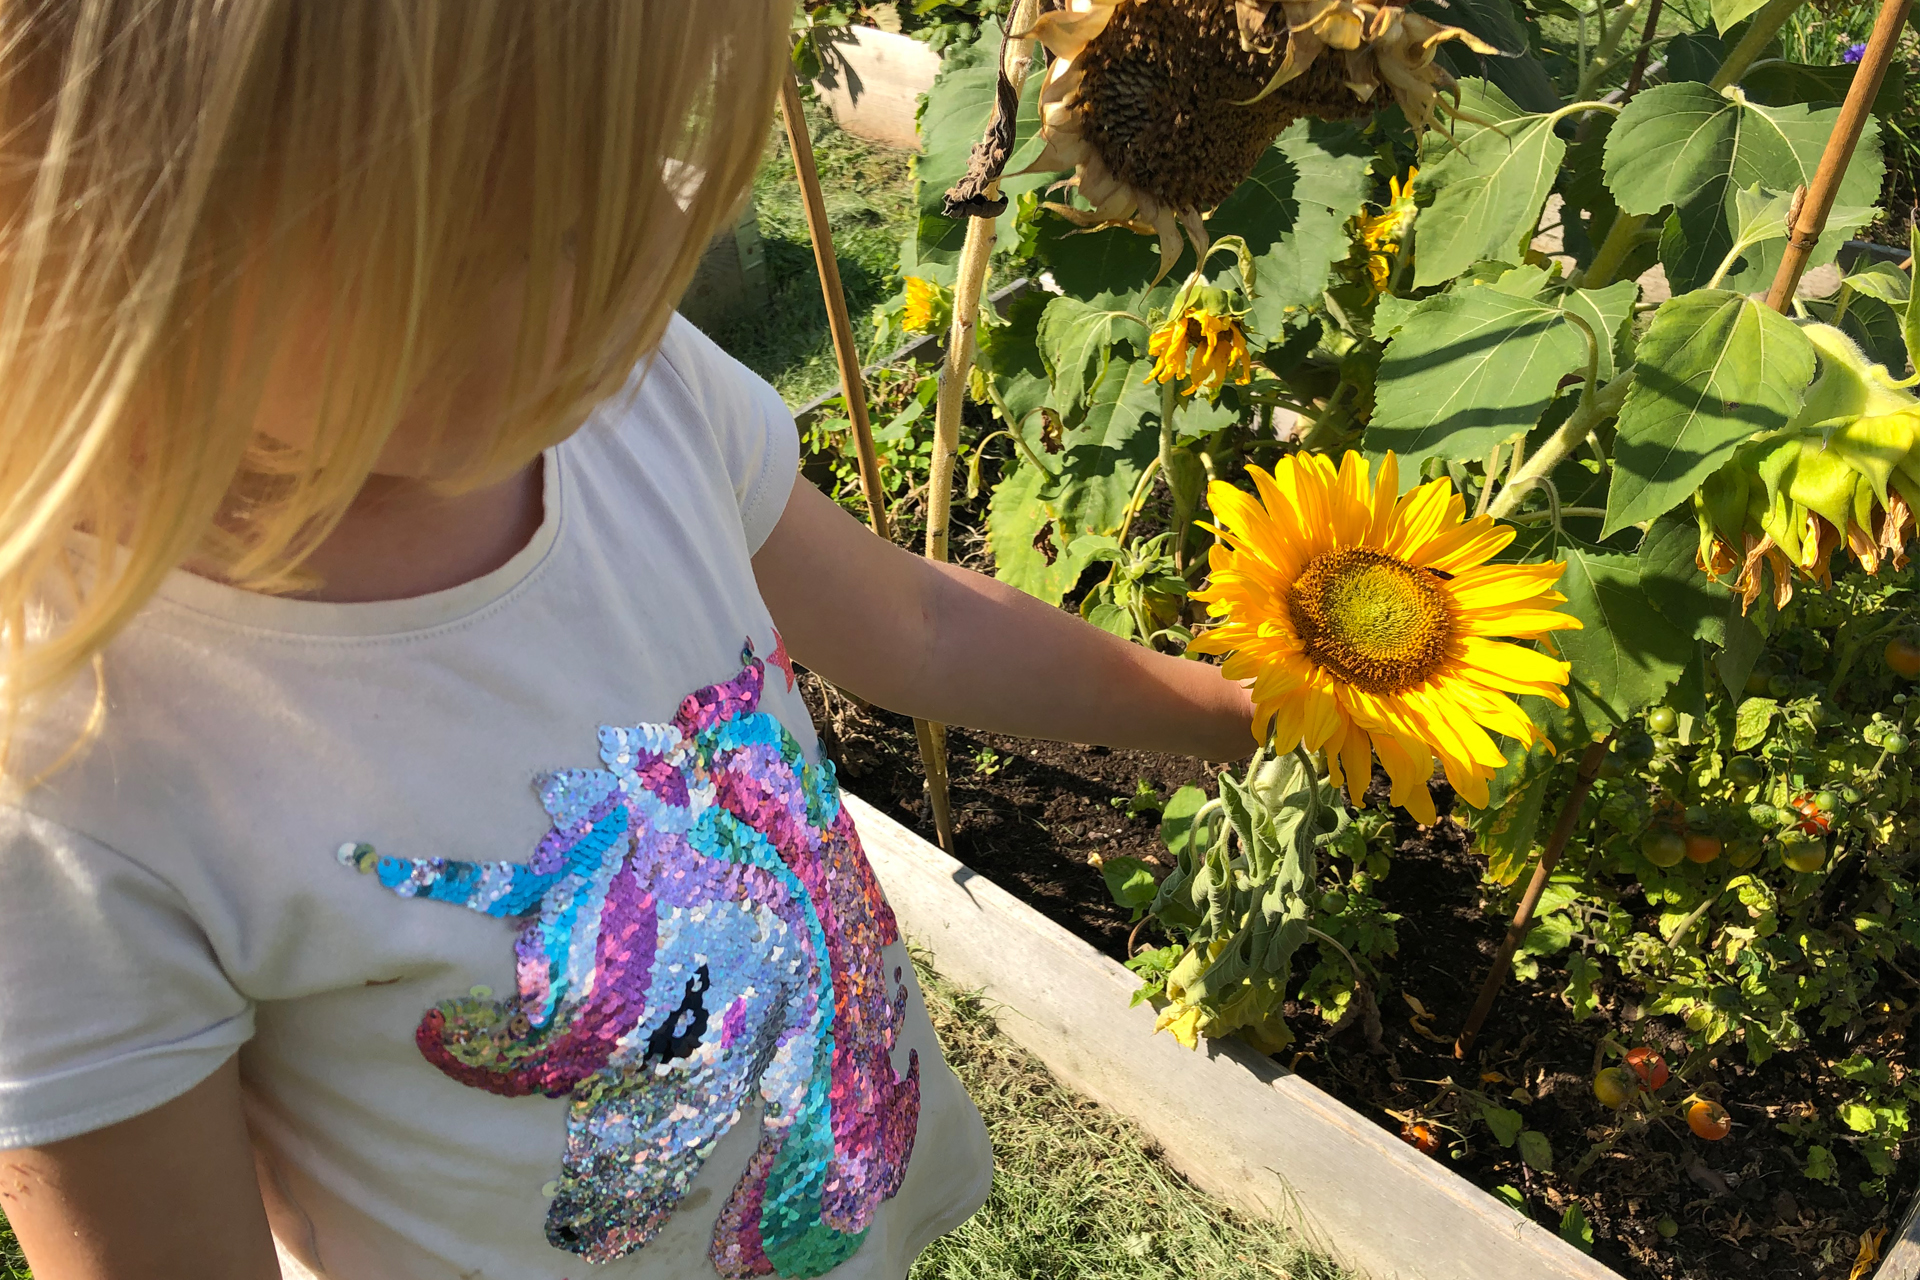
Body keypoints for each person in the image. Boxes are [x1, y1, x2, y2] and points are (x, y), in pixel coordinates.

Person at [0, 5, 1254, 1279]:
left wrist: (1236, 706)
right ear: (121, 240)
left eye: (665, 162)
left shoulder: (624, 387)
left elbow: (917, 623)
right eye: (537, 227)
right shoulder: (69, 771)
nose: (665, 246)